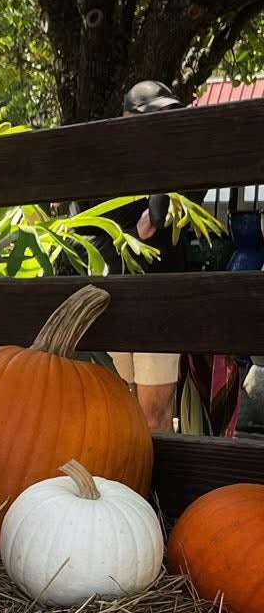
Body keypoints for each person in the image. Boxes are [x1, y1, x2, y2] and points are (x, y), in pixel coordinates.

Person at [102, 79, 188, 433]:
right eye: (149, 119)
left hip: (159, 301)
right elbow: (92, 244)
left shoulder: (178, 167)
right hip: (115, 300)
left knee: (154, 413)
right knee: (120, 410)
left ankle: (155, 489)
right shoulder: (104, 174)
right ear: (126, 119)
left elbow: (160, 216)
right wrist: (134, 235)